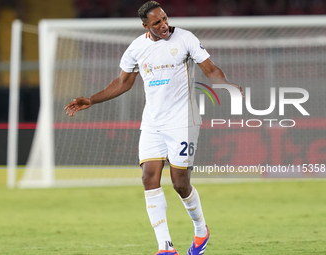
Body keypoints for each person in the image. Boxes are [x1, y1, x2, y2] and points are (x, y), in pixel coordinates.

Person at [65, 1, 243, 254]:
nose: (164, 25)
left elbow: (210, 69)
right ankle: (166, 247)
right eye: (157, 22)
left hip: (183, 121)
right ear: (145, 25)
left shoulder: (185, 38)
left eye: (165, 18)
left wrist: (227, 85)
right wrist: (91, 100)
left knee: (180, 184)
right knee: (149, 178)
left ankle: (201, 229)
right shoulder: (137, 48)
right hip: (152, 122)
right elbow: (123, 82)